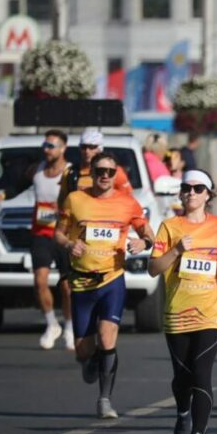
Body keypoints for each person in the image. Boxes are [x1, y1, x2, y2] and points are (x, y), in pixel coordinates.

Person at [54, 152, 154, 418]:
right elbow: (59, 232)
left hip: (112, 278)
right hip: (82, 281)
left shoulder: (128, 203)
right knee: (84, 349)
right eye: (100, 171)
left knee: (108, 336)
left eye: (111, 172)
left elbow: (148, 233)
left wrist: (142, 243)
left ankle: (105, 399)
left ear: (116, 174)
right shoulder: (76, 199)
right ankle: (89, 359)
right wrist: (69, 244)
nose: (105, 176)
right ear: (93, 172)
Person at [148, 170, 217, 434]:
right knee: (182, 377)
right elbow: (153, 268)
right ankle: (182, 411)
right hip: (177, 311)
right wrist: (176, 251)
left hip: (210, 313)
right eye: (186, 188)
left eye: (198, 188)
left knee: (202, 373)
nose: (191, 193)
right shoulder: (169, 226)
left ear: (208, 194)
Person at [0, 129, 74, 350]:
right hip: (41, 234)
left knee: (67, 287)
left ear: (62, 148)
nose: (46, 150)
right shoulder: (36, 170)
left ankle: (69, 326)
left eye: (51, 146)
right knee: (40, 281)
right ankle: (51, 324)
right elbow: (18, 186)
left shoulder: (70, 172)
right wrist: (3, 195)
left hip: (64, 236)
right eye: (45, 145)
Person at [58, 129, 131, 207]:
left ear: (100, 148)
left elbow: (128, 199)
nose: (87, 151)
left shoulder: (114, 171)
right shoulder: (70, 172)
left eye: (92, 147)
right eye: (84, 147)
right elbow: (62, 201)